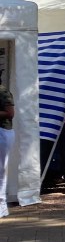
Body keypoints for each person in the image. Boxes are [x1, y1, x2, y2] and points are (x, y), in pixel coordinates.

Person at [0, 83, 13, 218]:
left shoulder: (3, 92)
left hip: (3, 132)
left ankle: (2, 206)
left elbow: (10, 113)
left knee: (1, 171)